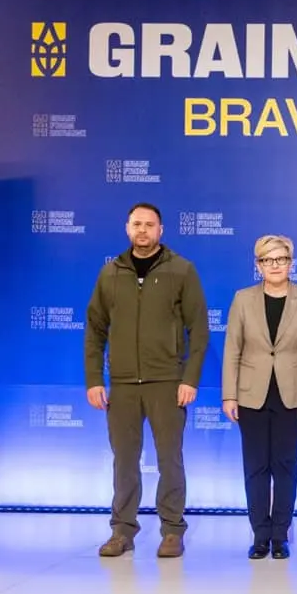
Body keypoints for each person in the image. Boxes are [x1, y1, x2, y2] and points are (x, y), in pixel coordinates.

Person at [83, 202, 210, 558]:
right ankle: (122, 531)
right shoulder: (110, 273)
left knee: (170, 460)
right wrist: (94, 379)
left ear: (160, 230)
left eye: (149, 224)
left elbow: (199, 330)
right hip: (122, 385)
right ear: (127, 228)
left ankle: (172, 531)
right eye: (137, 224)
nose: (143, 230)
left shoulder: (181, 270)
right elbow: (95, 330)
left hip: (167, 382)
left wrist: (189, 379)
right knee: (124, 461)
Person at [222, 235, 297, 560]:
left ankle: (280, 535)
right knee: (255, 466)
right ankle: (259, 536)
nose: (275, 265)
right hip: (250, 394)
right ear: (258, 265)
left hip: (291, 395)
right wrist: (229, 395)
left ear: (291, 263)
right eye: (268, 260)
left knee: (285, 465)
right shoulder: (242, 299)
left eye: (281, 259)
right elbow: (232, 349)